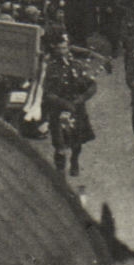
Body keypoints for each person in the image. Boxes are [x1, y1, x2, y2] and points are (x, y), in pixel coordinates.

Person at [43, 36, 96, 176]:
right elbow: (47, 92)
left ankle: (74, 160)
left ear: (68, 49)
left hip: (76, 108)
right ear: (55, 50)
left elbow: (92, 86)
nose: (62, 51)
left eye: (64, 48)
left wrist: (82, 98)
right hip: (58, 109)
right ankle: (59, 171)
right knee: (59, 144)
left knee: (76, 142)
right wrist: (63, 103)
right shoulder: (51, 68)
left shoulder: (77, 66)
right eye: (59, 48)